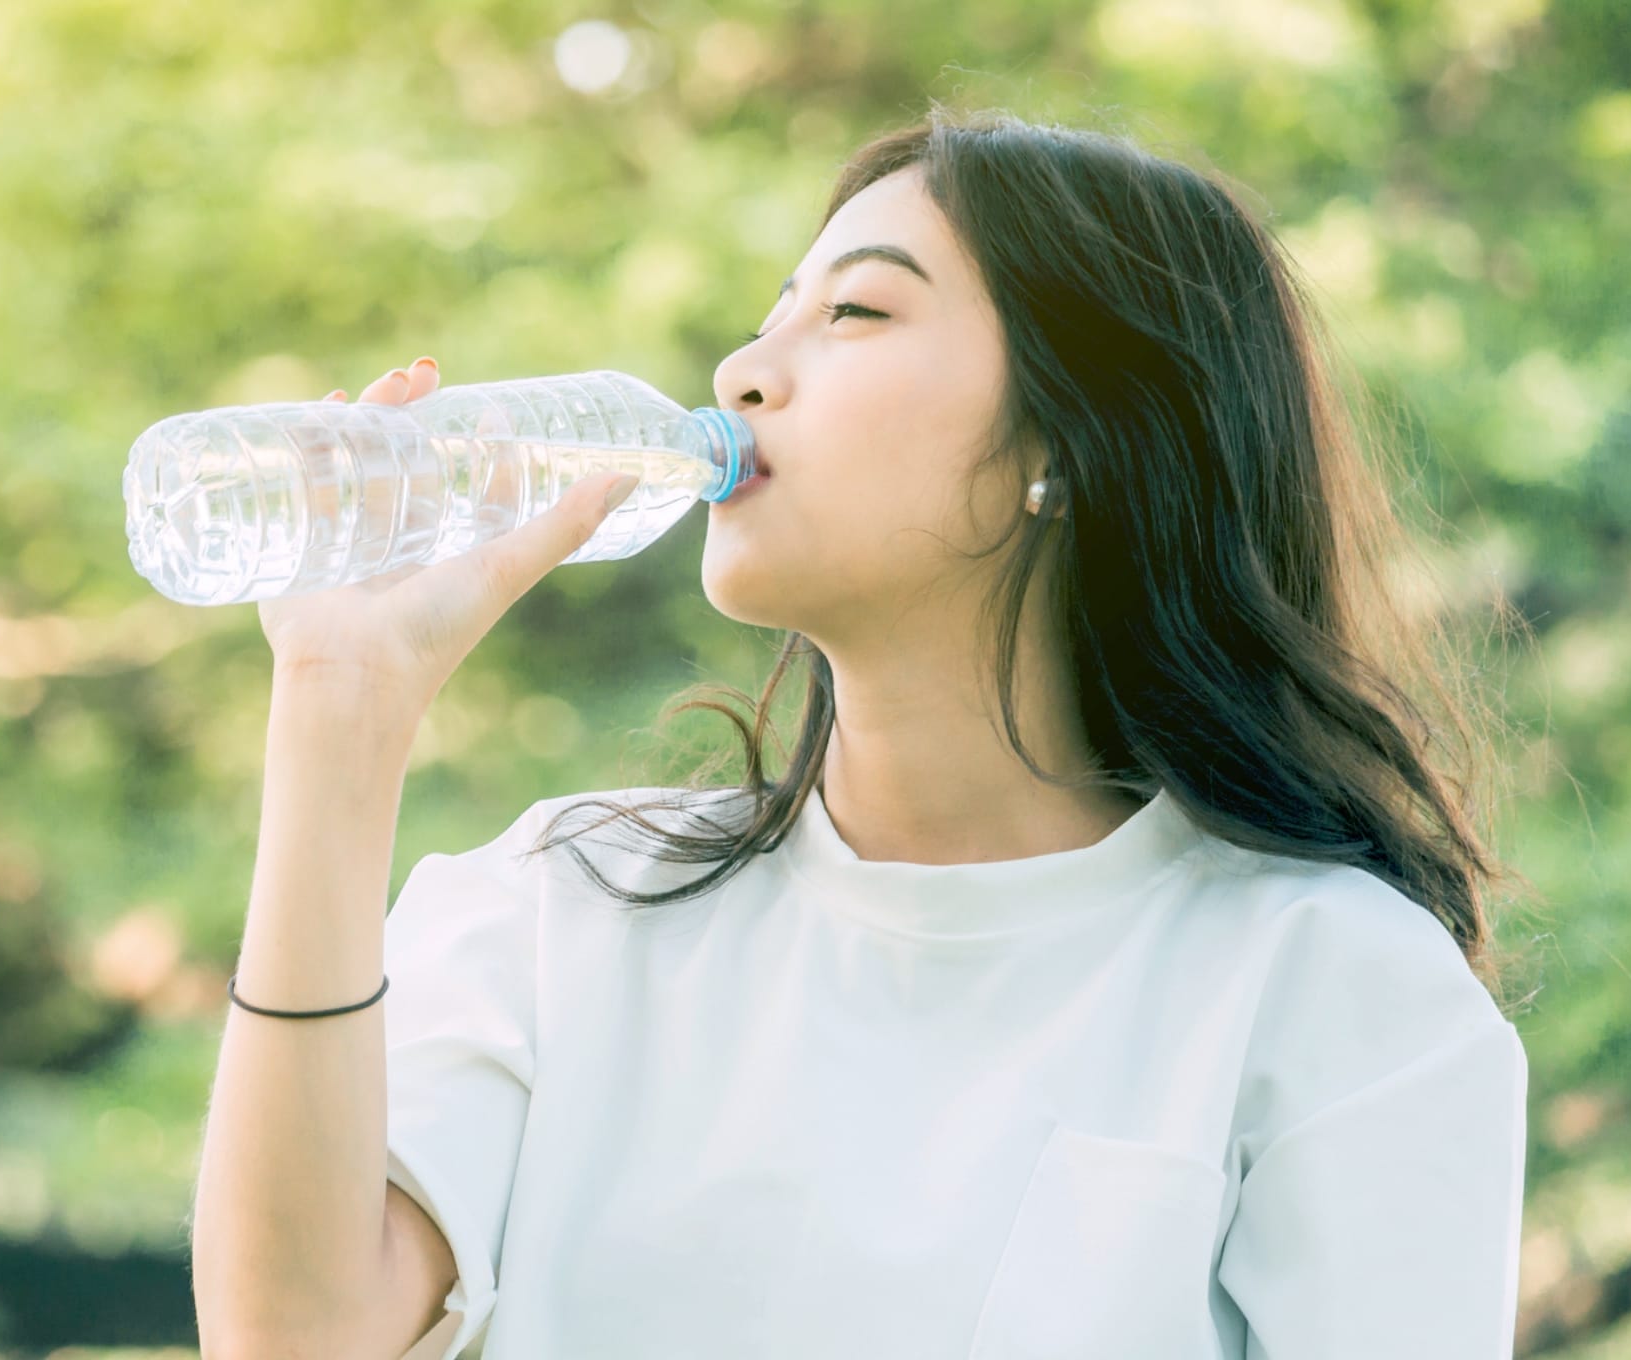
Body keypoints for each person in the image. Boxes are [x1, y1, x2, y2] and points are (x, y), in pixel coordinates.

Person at [192, 106, 1534, 1360]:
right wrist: (340, 710)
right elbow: (297, 1337)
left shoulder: (1331, 988)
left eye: (856, 309)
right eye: (773, 315)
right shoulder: (571, 907)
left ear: (1064, 442)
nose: (743, 371)